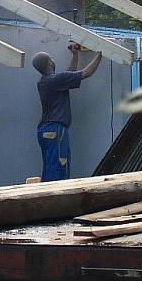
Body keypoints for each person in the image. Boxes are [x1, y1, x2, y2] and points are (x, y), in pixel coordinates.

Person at [32, 43, 102, 182]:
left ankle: (46, 200)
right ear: (49, 62)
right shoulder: (55, 80)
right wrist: (100, 54)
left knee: (50, 169)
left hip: (45, 131)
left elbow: (68, 76)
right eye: (51, 59)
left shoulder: (46, 82)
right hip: (55, 131)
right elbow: (86, 73)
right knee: (58, 171)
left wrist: (75, 55)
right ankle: (55, 201)